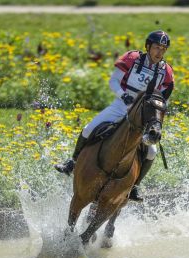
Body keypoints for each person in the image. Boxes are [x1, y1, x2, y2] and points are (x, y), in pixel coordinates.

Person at [55, 30, 174, 201]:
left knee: (151, 152)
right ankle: (72, 163)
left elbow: (163, 98)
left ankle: (134, 186)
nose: (160, 52)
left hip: (142, 115)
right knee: (88, 129)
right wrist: (123, 95)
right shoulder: (132, 58)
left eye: (163, 49)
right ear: (148, 47)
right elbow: (113, 81)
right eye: (157, 47)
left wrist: (155, 117)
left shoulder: (167, 71)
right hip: (121, 105)